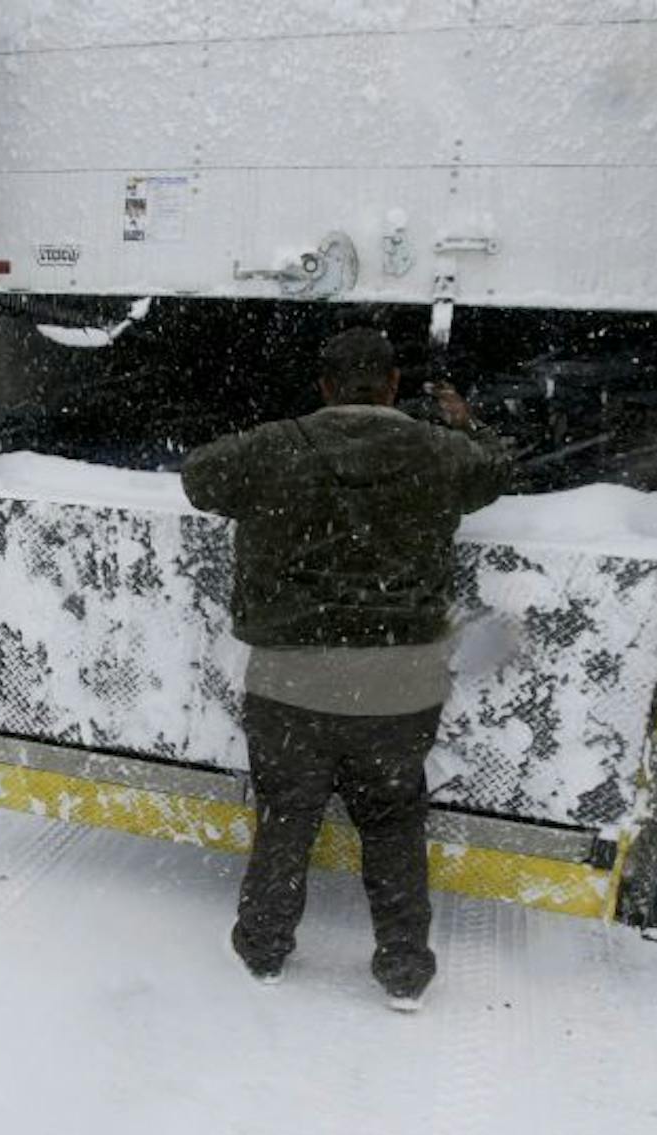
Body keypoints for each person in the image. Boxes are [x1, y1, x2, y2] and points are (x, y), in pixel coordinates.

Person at [181, 327, 538, 1010]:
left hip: (290, 679)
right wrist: (465, 418)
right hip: (399, 684)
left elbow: (199, 474)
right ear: (395, 386)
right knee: (394, 821)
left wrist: (265, 447)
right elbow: (498, 467)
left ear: (323, 386)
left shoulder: (276, 447)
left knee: (287, 816)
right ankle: (404, 969)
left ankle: (263, 950)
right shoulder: (437, 452)